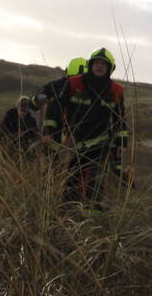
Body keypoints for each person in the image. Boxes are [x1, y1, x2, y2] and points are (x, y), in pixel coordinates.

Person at [53, 48, 131, 206]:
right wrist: (51, 132)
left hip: (100, 143)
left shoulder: (116, 91)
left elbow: (119, 120)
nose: (100, 66)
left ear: (110, 68)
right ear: (91, 65)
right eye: (97, 63)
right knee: (72, 177)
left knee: (94, 180)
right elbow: (57, 109)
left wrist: (121, 143)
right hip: (73, 141)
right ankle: (68, 209)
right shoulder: (74, 84)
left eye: (104, 64)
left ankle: (90, 214)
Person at [31, 56, 88, 148]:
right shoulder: (56, 86)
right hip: (51, 135)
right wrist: (38, 99)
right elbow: (33, 103)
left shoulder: (91, 91)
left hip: (77, 139)